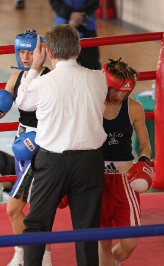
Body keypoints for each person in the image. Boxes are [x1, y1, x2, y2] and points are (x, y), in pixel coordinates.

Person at [15, 24, 107, 266]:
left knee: (37, 224)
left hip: (52, 161)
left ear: (50, 53)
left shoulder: (43, 83)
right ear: (78, 49)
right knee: (87, 230)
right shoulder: (99, 79)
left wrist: (35, 66)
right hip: (90, 162)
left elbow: (22, 102)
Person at [0, 29, 52, 266]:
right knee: (37, 208)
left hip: (41, 145)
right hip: (21, 143)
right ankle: (35, 257)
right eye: (22, 51)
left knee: (15, 208)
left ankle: (26, 255)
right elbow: (0, 110)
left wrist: (40, 137)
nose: (26, 57)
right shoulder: (16, 78)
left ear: (41, 52)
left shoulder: (49, 78)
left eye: (31, 51)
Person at [98, 59, 152, 266]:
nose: (119, 96)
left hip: (124, 180)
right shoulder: (90, 105)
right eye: (116, 90)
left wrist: (144, 161)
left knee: (129, 242)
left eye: (125, 92)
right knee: (103, 241)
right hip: (96, 178)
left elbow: (145, 144)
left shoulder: (134, 108)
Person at [49, 0, 101, 70]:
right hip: (62, 28)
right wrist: (70, 15)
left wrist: (79, 16)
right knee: (63, 68)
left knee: (91, 66)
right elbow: (54, 2)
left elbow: (94, 2)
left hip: (87, 27)